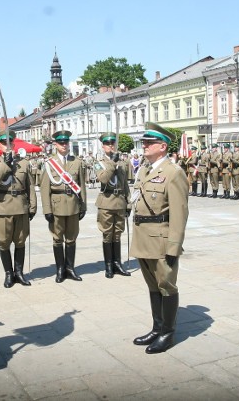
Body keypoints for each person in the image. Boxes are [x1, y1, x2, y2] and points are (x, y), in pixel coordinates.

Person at [130, 121, 188, 354]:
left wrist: (174, 247)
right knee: (152, 286)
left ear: (162, 146)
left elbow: (180, 212)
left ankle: (167, 333)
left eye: (149, 142)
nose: (144, 145)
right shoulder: (145, 169)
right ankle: (156, 328)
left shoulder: (174, 173)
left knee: (166, 286)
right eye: (144, 142)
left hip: (161, 239)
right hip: (143, 238)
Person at [0, 130, 37, 288]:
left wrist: (33, 206)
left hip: (21, 207)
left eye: (9, 143)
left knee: (20, 242)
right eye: (3, 143)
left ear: (14, 144)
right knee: (4, 242)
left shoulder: (23, 163)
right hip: (3, 208)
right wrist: (5, 165)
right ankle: (9, 273)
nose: (7, 146)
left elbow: (30, 186)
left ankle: (19, 273)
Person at [40, 130, 87, 283]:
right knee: (57, 239)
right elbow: (44, 188)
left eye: (66, 142)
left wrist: (83, 205)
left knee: (72, 238)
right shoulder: (49, 164)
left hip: (73, 205)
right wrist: (47, 210)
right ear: (55, 145)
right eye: (61, 143)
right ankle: (60, 269)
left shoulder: (77, 162)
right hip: (57, 206)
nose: (64, 145)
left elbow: (82, 185)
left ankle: (70, 268)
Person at [93, 132, 131, 279]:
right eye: (108, 144)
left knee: (117, 234)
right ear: (103, 146)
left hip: (119, 200)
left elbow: (125, 184)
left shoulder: (121, 162)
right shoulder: (98, 162)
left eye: (112, 143)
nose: (111, 146)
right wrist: (113, 163)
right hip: (106, 201)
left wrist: (128, 203)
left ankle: (117, 264)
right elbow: (103, 178)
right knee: (107, 234)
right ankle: (108, 265)